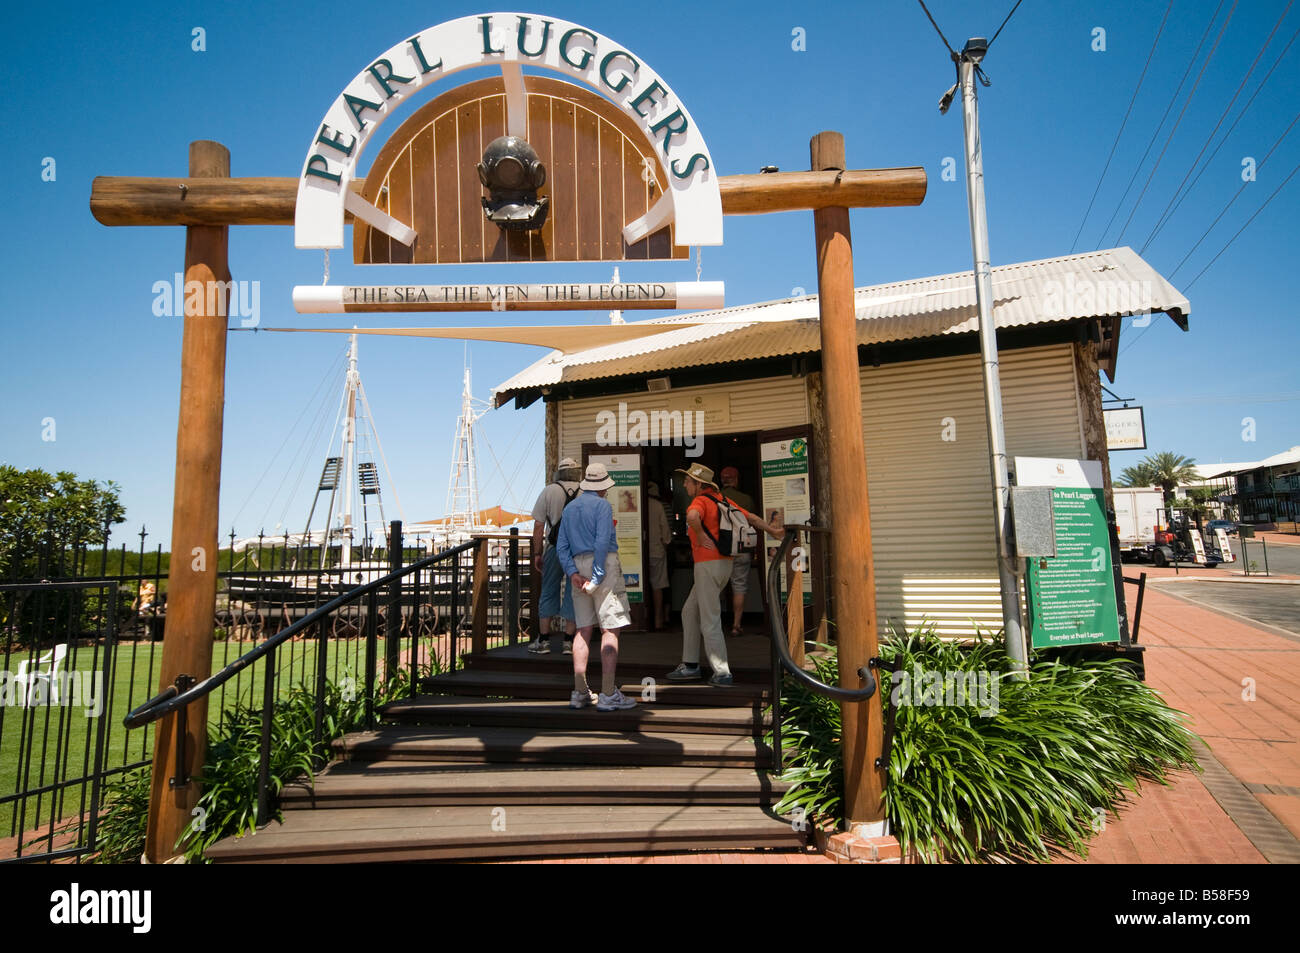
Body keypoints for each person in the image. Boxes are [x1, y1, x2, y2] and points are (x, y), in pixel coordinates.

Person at [666, 463, 783, 687]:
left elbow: (691, 516)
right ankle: (690, 665)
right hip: (724, 564)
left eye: (688, 481)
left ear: (699, 484)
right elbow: (753, 519)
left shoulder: (699, 501)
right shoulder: (724, 500)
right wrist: (773, 531)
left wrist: (699, 535)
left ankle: (721, 672)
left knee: (709, 618)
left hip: (707, 565)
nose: (685, 484)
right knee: (690, 612)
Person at [556, 462, 636, 711]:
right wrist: (598, 575)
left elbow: (561, 546)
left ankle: (580, 691)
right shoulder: (602, 505)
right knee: (610, 629)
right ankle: (609, 693)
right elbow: (602, 541)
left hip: (577, 566)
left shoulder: (570, 509)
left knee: (582, 629)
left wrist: (572, 573)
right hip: (604, 566)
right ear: (602, 486)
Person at [528, 457, 580, 654]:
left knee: (548, 590)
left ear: (559, 472)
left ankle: (544, 640)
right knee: (573, 592)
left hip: (555, 547)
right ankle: (568, 641)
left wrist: (537, 553)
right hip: (577, 550)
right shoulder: (584, 490)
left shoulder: (549, 491)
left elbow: (539, 525)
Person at [719, 466, 756, 636]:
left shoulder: (715, 498)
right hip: (742, 547)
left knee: (716, 587)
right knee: (739, 586)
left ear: (722, 480)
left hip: (721, 548)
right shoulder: (746, 499)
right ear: (736, 480)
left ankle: (714, 623)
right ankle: (736, 624)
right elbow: (752, 523)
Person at [646, 480, 671, 630]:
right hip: (657, 551)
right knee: (658, 585)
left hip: (638, 553)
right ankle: (657, 620)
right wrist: (666, 544)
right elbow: (666, 534)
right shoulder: (658, 506)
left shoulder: (638, 502)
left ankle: (641, 619)